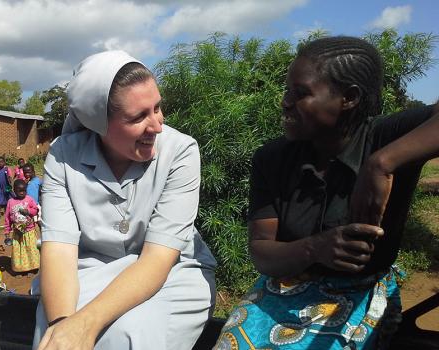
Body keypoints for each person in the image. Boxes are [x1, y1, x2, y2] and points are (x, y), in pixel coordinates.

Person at [215, 36, 439, 350]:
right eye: (287, 90)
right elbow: (261, 252)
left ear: (348, 98)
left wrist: (382, 163)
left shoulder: (384, 138)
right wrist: (314, 249)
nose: (285, 102)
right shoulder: (272, 158)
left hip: (362, 293)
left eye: (301, 93)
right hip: (283, 287)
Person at [32, 51, 216, 350]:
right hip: (88, 271)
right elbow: (59, 251)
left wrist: (85, 324)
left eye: (157, 108)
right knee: (53, 335)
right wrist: (62, 325)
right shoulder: (63, 156)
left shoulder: (180, 152)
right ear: (98, 123)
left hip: (171, 272)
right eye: (138, 117)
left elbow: (158, 258)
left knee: (130, 334)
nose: (157, 125)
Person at [4, 179, 39, 273]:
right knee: (19, 252)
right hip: (17, 233)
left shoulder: (29, 199)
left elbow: (36, 210)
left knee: (31, 249)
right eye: (20, 191)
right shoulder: (11, 202)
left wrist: (29, 211)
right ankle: (20, 269)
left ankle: (32, 267)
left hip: (29, 231)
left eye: (24, 190)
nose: (22, 192)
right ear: (14, 190)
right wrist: (7, 231)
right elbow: (7, 217)